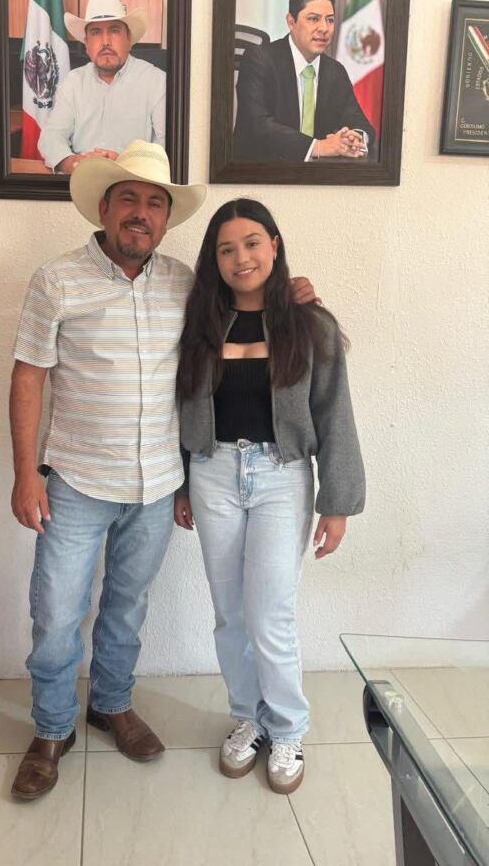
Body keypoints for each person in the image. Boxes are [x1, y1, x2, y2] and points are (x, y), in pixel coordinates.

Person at [9, 144, 316, 801]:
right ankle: (52, 729)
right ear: (103, 207)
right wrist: (24, 474)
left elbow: (248, 303)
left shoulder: (186, 286)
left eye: (155, 203)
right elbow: (28, 376)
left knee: (126, 609)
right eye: (128, 199)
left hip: (157, 484)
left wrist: (294, 295)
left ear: (167, 218)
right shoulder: (56, 280)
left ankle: (111, 704)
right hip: (76, 482)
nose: (141, 213)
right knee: (57, 613)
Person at [174, 198, 365, 794]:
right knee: (230, 612)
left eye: (252, 243)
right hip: (211, 473)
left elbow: (335, 414)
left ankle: (287, 728)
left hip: (282, 477)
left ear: (275, 246)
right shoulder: (198, 325)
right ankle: (248, 718)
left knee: (270, 612)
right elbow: (177, 409)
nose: (241, 258)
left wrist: (336, 502)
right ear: (214, 259)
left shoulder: (311, 325)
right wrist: (182, 482)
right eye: (226, 249)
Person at [233, 0, 376, 162]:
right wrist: (317, 146)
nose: (324, 28)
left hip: (316, 174)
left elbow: (359, 121)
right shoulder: (260, 59)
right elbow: (257, 125)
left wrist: (355, 137)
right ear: (291, 22)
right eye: (314, 19)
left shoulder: (335, 70)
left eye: (330, 20)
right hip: (261, 170)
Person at [38, 0, 166, 173]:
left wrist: (125, 163)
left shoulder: (157, 82)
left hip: (134, 180)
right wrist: (75, 163)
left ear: (129, 39)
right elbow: (51, 137)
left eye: (114, 31)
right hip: (81, 178)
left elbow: (166, 146)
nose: (105, 41)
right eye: (96, 32)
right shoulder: (73, 82)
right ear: (86, 44)